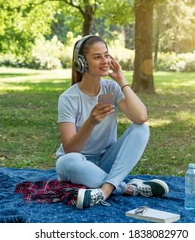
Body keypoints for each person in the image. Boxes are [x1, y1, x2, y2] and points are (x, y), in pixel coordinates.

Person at [55, 35, 169, 209]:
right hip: (79, 164)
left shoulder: (111, 88)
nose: (105, 61)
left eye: (106, 55)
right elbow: (70, 149)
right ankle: (130, 188)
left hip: (107, 161)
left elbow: (140, 117)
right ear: (81, 63)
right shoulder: (68, 98)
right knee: (66, 162)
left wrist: (121, 80)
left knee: (141, 129)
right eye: (97, 57)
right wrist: (91, 122)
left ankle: (105, 190)